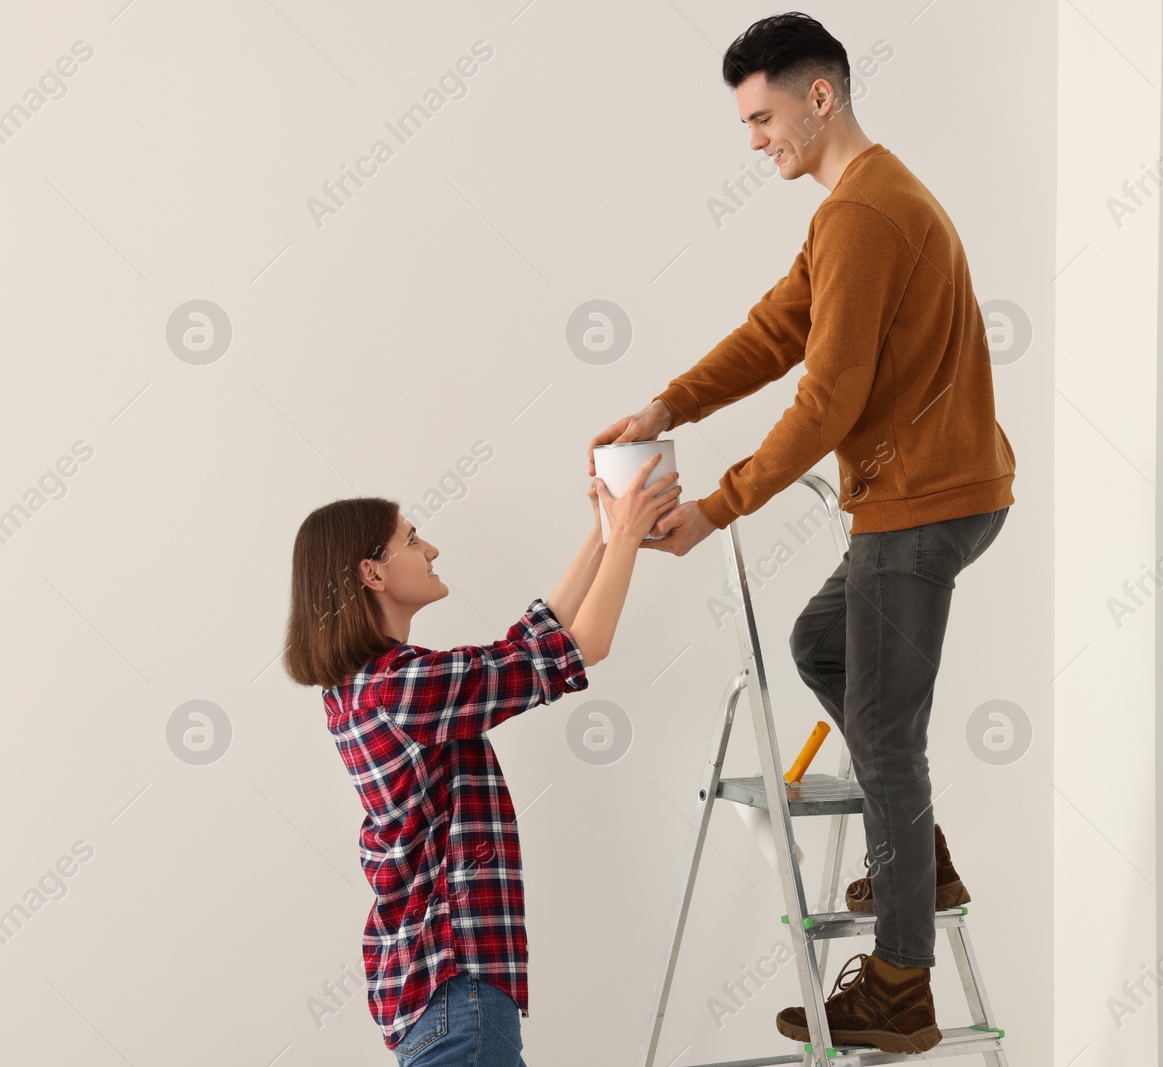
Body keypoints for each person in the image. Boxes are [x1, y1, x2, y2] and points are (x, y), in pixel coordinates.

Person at [587, 11, 1015, 1056]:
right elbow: (781, 328)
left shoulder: (867, 213)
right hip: (941, 494)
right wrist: (666, 407)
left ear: (819, 97)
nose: (754, 140)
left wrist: (716, 506)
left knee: (884, 731)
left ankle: (899, 983)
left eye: (762, 115)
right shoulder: (856, 208)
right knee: (822, 645)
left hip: (916, 505)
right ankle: (923, 860)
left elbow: (824, 401)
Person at [282, 457, 680, 1064]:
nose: (432, 549)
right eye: (412, 540)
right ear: (372, 573)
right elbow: (584, 647)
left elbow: (523, 648)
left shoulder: (367, 685)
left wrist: (604, 532)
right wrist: (627, 536)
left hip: (438, 992)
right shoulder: (403, 688)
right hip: (457, 989)